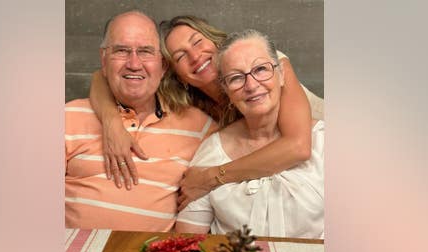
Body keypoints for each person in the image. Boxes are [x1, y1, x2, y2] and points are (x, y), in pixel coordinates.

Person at [89, 15, 323, 211]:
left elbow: (298, 147)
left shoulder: (262, 65)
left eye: (198, 41)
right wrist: (111, 123)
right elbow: (100, 76)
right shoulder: (192, 104)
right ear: (173, 72)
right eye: (180, 56)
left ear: (215, 41)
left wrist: (208, 178)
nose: (195, 56)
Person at [65, 11, 216, 231]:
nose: (134, 64)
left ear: (163, 66)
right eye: (121, 51)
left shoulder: (201, 127)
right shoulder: (67, 117)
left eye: (145, 52)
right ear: (103, 60)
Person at [175, 29, 324, 238]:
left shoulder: (324, 142)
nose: (252, 85)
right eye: (236, 78)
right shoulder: (210, 150)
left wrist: (212, 176)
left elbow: (299, 147)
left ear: (282, 75)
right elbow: (186, 244)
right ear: (225, 88)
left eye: (261, 69)